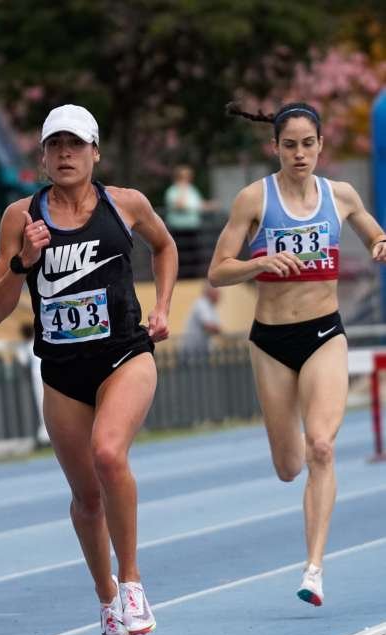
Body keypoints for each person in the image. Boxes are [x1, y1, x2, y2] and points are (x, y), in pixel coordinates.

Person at [0, 104, 178, 635]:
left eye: (76, 144)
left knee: (109, 455)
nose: (65, 154)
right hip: (63, 372)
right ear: (42, 157)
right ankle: (107, 599)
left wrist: (163, 307)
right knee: (86, 499)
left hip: (125, 355)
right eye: (55, 146)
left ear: (95, 152)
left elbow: (164, 247)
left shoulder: (127, 204)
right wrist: (23, 262)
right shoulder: (21, 216)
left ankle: (134, 581)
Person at [208, 101, 386, 607]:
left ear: (321, 145)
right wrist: (258, 263)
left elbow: (373, 230)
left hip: (324, 333)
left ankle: (314, 569)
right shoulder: (253, 200)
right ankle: (299, 463)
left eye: (309, 144)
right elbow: (220, 269)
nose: (300, 153)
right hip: (271, 341)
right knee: (289, 466)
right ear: (276, 148)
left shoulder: (341, 195)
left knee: (322, 447)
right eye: (290, 145)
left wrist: (379, 243)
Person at [164, 165, 217, 275]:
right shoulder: (172, 191)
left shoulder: (192, 190)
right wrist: (182, 189)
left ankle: (193, 277)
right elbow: (179, 205)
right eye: (185, 177)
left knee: (194, 256)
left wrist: (210, 205)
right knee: (181, 257)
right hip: (178, 230)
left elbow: (198, 205)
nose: (188, 179)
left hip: (193, 229)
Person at [16, 322, 50, 446]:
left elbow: (22, 361)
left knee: (42, 404)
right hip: (44, 375)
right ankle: (46, 434)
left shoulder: (27, 346)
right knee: (44, 404)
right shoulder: (39, 340)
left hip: (39, 377)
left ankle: (46, 434)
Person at [182, 282, 222, 354]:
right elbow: (208, 326)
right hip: (193, 351)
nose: (219, 296)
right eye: (217, 293)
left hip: (199, 350)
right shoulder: (202, 304)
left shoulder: (210, 306)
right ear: (210, 293)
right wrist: (222, 333)